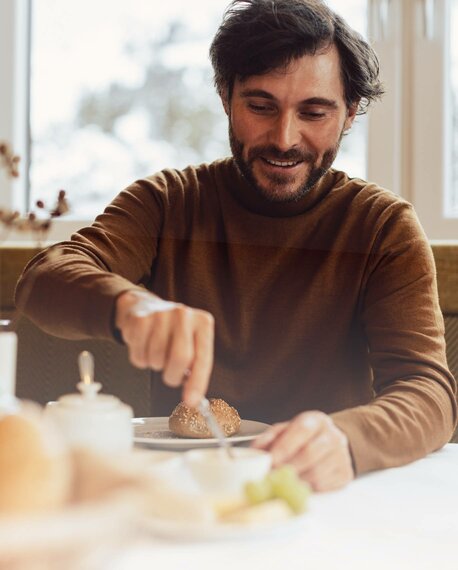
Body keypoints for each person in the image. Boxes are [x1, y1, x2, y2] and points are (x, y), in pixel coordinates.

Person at [15, 0, 456, 491]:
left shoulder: (381, 226)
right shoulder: (169, 202)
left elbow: (429, 394)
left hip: (323, 491)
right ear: (226, 97)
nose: (285, 139)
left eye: (313, 112)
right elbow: (43, 278)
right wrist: (129, 305)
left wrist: (348, 440)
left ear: (350, 114)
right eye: (261, 107)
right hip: (187, 490)